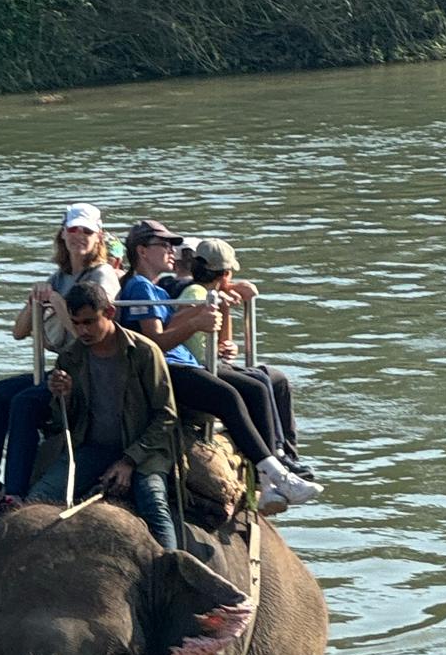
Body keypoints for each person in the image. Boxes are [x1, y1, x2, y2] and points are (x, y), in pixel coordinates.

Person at [117, 221, 320, 511]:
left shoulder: (158, 289)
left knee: (251, 387)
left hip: (179, 364)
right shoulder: (139, 287)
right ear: (142, 251)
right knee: (230, 396)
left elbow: (175, 320)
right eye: (164, 245)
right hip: (164, 371)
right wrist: (197, 323)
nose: (172, 252)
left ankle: (272, 476)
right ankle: (275, 475)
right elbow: (155, 343)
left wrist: (208, 309)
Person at [0, 203, 122, 522]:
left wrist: (57, 303)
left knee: (25, 403)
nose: (79, 236)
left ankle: (14, 497)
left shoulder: (103, 275)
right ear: (63, 234)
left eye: (87, 231)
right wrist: (34, 302)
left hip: (90, 370)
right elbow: (19, 333)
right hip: (65, 366)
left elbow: (94, 330)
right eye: (73, 230)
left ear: (98, 237)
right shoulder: (60, 276)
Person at [20, 281, 179, 550]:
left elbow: (166, 415)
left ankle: (174, 570)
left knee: (154, 504)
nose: (82, 330)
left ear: (109, 313)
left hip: (143, 451)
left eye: (89, 322)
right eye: (76, 323)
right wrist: (64, 396)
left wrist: (130, 460)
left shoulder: (144, 352)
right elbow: (62, 423)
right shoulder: (70, 357)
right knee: (38, 499)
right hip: (91, 449)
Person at [179, 239, 305, 472]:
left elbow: (221, 342)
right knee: (259, 382)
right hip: (201, 366)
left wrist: (226, 313)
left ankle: (288, 451)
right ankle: (274, 451)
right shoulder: (196, 293)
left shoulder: (210, 294)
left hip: (212, 360)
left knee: (277, 379)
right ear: (225, 273)